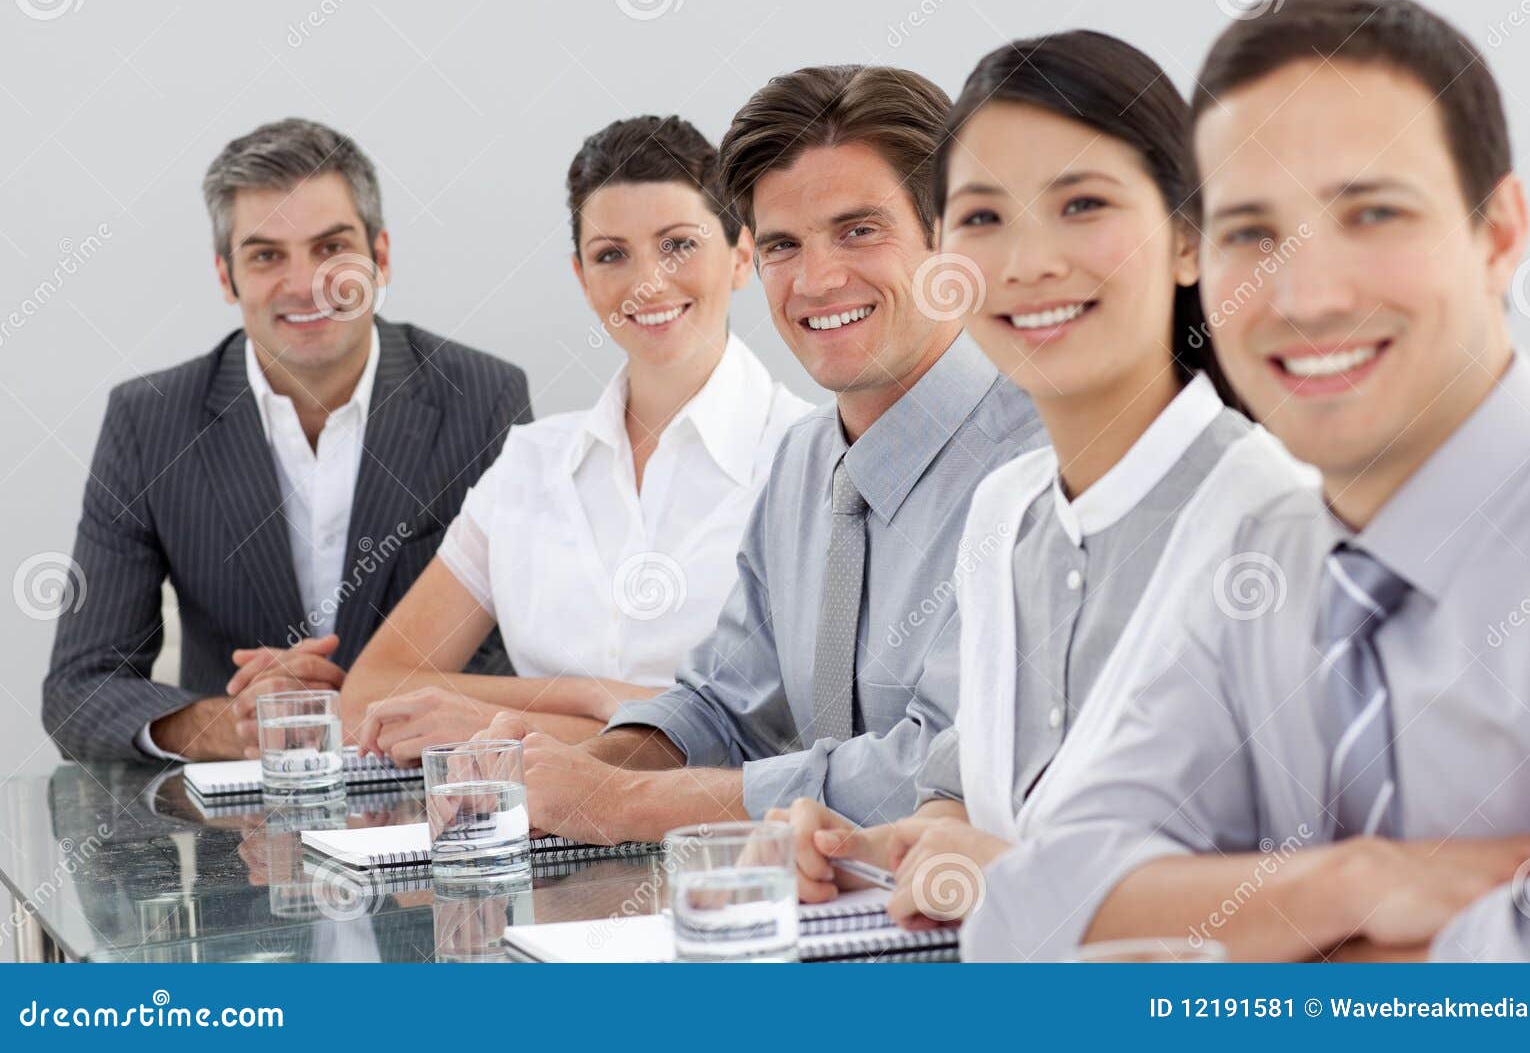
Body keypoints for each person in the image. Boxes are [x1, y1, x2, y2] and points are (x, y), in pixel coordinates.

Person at [963, 0, 1530, 962]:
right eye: (1253, 234)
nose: (1306, 294)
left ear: (1500, 235)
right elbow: (1026, 914)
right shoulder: (1265, 565)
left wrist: (1235, 944)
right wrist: (1362, 881)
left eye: (1374, 211)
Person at [775, 32, 1316, 911]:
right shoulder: (1004, 513)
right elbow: (988, 825)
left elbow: (1345, 908)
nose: (1028, 263)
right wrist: (870, 854)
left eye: (1083, 204)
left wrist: (1024, 883)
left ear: (1189, 239)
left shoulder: (1278, 528)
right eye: (985, 218)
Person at [473, 65, 1045, 840]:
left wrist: (621, 805)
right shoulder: (804, 461)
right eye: (782, 244)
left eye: (859, 229)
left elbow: (945, 767)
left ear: (947, 235)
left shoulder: (1043, 462)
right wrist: (580, 770)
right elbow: (721, 699)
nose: (816, 279)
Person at [42, 118, 530, 762]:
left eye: (331, 248)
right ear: (227, 276)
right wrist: (236, 724)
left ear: (380, 258)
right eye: (267, 255)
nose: (305, 285)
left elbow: (526, 652)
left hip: (437, 808)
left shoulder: (483, 397)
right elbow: (79, 688)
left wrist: (366, 712)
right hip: (240, 832)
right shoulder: (148, 423)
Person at [341, 115, 813, 758]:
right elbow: (370, 692)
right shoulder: (530, 466)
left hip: (728, 846)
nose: (646, 281)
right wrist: (593, 693)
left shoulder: (810, 458)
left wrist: (492, 721)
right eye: (612, 254)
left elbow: (792, 732)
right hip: (526, 844)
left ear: (740, 255)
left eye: (677, 243)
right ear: (582, 277)